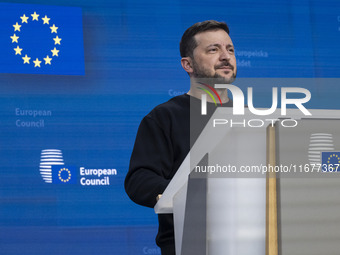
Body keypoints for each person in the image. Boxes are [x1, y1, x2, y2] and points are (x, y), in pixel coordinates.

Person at [125, 20, 237, 255]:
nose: (225, 56)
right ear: (188, 64)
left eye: (230, 49)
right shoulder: (164, 117)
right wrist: (188, 195)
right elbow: (139, 179)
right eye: (213, 49)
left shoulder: (252, 117)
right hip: (190, 244)